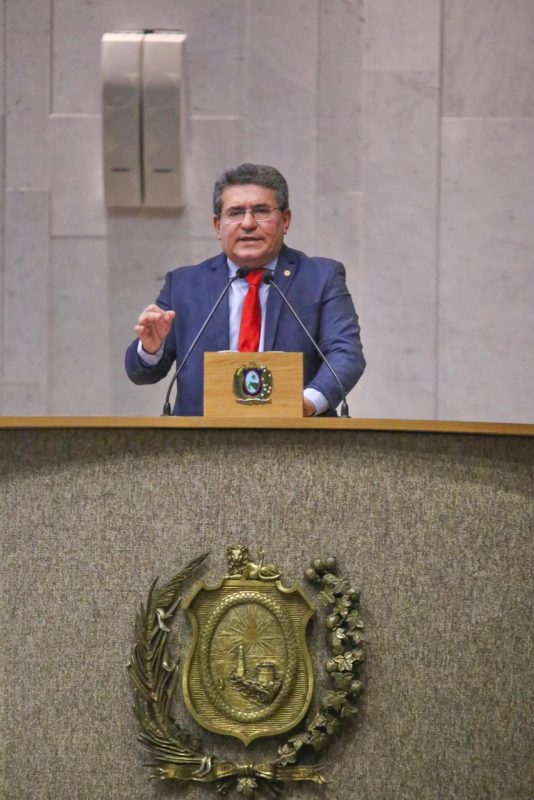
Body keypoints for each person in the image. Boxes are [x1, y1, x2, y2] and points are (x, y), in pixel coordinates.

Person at [125, 163, 365, 416]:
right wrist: (151, 348)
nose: (248, 223)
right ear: (218, 225)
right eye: (236, 213)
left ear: (285, 220)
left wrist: (304, 404)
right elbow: (141, 373)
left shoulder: (321, 278)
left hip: (297, 434)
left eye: (261, 211)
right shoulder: (184, 285)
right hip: (200, 437)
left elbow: (346, 354)